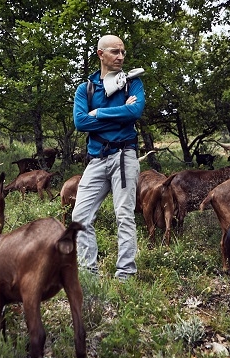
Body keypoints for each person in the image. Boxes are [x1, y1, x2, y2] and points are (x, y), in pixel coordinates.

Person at [72, 34, 146, 280]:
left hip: (124, 156)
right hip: (96, 159)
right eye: (115, 51)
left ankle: (125, 273)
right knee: (80, 216)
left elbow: (135, 110)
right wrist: (120, 112)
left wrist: (100, 113)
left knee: (124, 215)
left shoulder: (132, 83)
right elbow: (80, 122)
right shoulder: (86, 88)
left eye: (123, 52)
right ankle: (88, 273)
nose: (121, 56)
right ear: (100, 54)